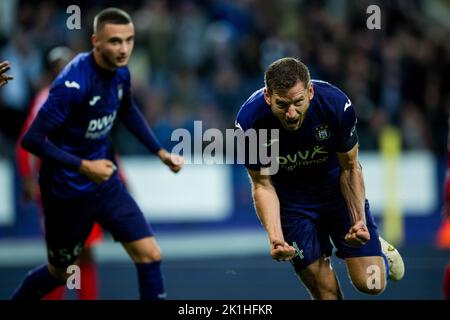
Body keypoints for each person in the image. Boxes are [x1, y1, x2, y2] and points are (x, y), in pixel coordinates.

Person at [11, 7, 183, 300]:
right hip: (66, 191)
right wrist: (83, 166)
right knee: (60, 272)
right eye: (115, 41)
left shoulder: (120, 73)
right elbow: (31, 140)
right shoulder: (71, 86)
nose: (124, 48)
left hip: (104, 184)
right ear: (95, 42)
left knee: (150, 254)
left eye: (129, 40)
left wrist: (160, 152)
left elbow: (127, 111)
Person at [235, 57, 404, 299]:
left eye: (298, 102)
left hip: (336, 192)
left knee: (372, 284)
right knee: (325, 294)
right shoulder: (249, 124)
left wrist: (358, 221)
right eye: (282, 105)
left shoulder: (336, 105)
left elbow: (350, 168)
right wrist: (275, 238)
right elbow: (262, 184)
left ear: (310, 91)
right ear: (268, 97)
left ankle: (377, 246)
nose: (291, 113)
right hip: (293, 204)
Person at [15, 46, 110, 300]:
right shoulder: (46, 99)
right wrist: (27, 178)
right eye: (58, 67)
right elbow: (25, 143)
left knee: (87, 254)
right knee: (61, 259)